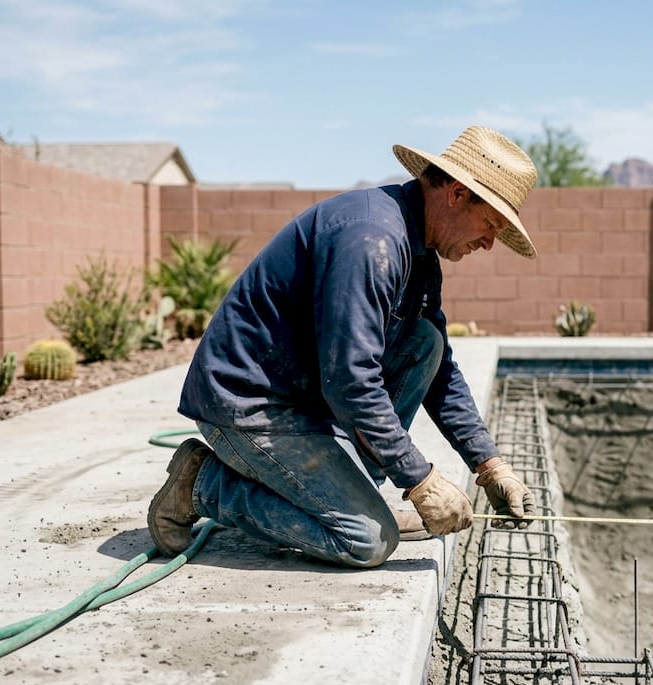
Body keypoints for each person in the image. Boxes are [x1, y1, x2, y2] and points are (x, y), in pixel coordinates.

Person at [147, 126, 538, 568]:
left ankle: (353, 493)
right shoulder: (371, 242)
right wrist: (419, 480)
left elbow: (440, 371)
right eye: (491, 225)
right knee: (367, 540)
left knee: (425, 342)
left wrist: (490, 466)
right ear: (457, 194)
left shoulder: (419, 249)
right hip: (250, 406)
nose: (489, 243)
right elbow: (352, 382)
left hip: (304, 399)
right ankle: (204, 484)